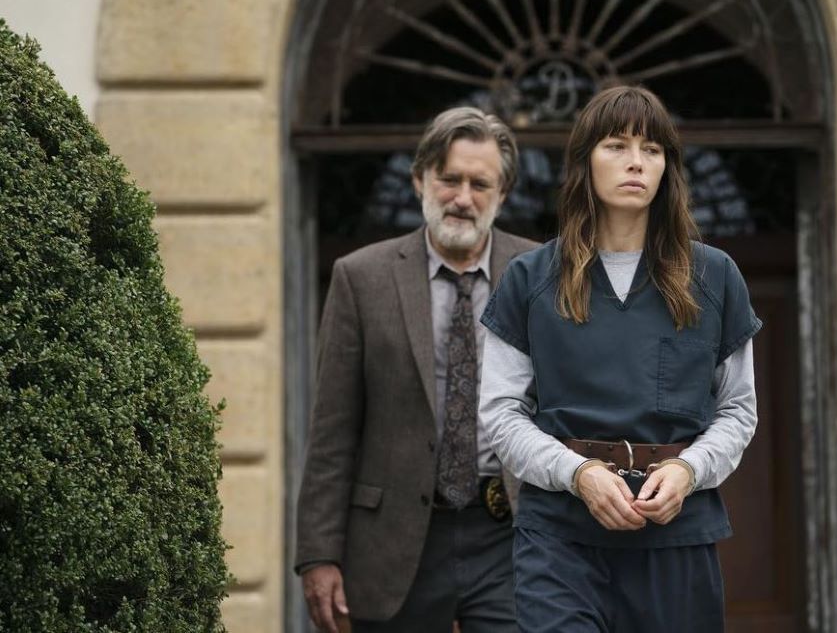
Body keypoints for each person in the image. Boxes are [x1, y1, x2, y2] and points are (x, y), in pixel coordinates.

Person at [478, 85, 762, 633]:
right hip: (559, 536)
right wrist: (577, 473)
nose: (636, 162)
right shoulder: (529, 279)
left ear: (666, 168)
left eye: (651, 149)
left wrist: (688, 470)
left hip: (677, 535)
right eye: (616, 146)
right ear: (585, 162)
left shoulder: (716, 276)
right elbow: (501, 413)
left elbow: (738, 410)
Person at [295, 106, 537, 633]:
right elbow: (333, 429)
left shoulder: (541, 274)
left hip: (510, 536)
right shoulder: (361, 278)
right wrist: (318, 553)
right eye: (449, 179)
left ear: (502, 195)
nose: (462, 198)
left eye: (480, 184)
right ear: (419, 180)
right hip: (395, 541)